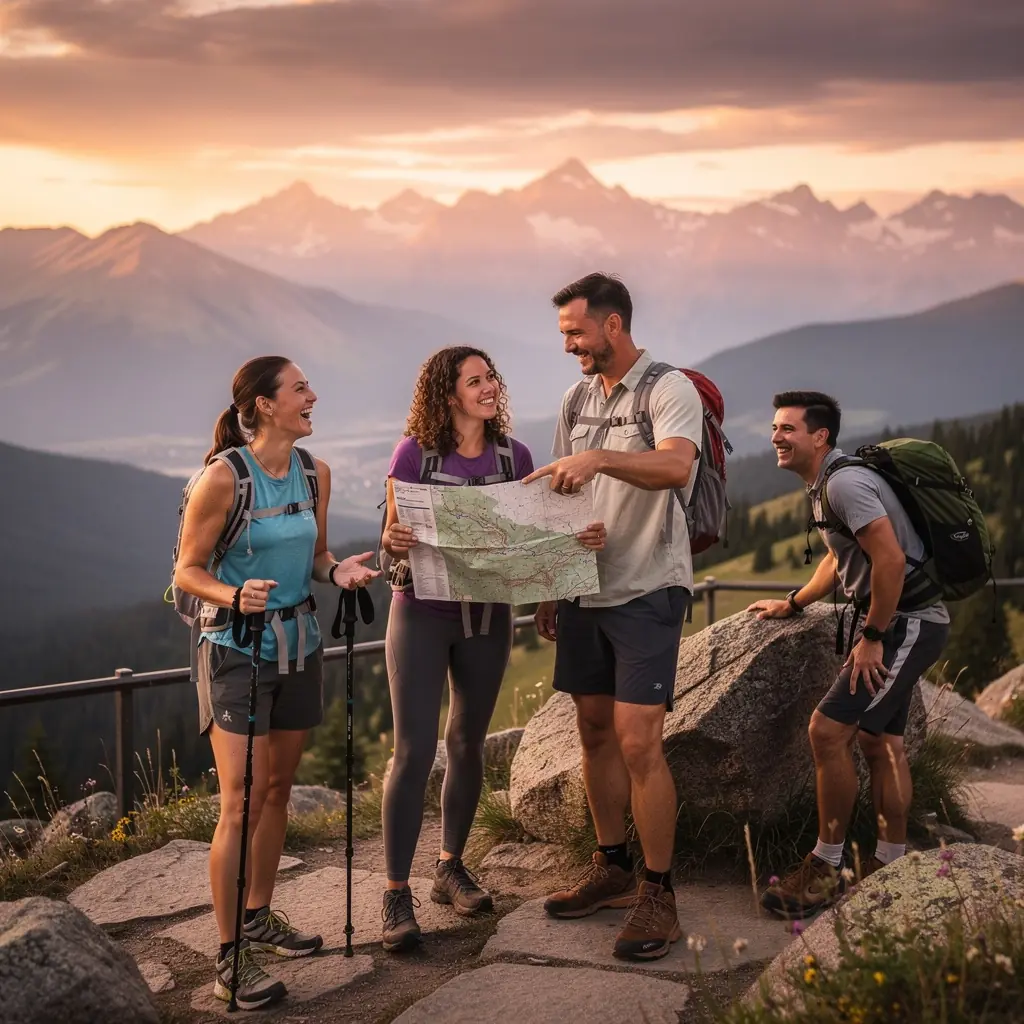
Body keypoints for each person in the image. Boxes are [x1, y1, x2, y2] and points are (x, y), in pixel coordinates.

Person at [377, 344, 606, 952]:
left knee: (467, 742)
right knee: (413, 750)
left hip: (489, 619)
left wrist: (572, 546)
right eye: (475, 380)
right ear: (448, 394)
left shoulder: (516, 456)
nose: (489, 387)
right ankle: (396, 892)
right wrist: (396, 539)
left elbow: (536, 537)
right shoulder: (414, 455)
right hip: (422, 616)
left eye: (491, 378)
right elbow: (390, 542)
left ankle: (449, 867)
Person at [174, 355, 379, 1010]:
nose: (312, 396)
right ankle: (230, 955)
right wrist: (235, 594)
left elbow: (315, 556)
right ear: (264, 405)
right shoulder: (222, 480)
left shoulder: (314, 472)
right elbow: (187, 571)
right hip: (234, 651)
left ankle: (259, 915)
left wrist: (337, 571)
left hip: (300, 646)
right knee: (241, 799)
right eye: (299, 389)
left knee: (280, 790)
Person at [526, 273, 704, 962]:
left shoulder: (667, 389)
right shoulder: (576, 398)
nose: (568, 344)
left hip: (647, 586)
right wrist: (549, 582)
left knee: (638, 742)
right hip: (583, 589)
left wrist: (602, 455)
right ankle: (612, 868)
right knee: (594, 732)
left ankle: (659, 894)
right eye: (565, 333)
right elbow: (564, 496)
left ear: (613, 325)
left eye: (575, 331)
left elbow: (676, 469)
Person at [748, 391, 950, 919]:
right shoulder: (828, 482)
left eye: (788, 428)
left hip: (906, 623)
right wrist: (792, 603)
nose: (776, 436)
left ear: (821, 437)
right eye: (774, 427)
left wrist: (875, 635)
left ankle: (825, 866)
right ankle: (891, 863)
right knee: (881, 740)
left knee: (827, 731)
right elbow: (842, 559)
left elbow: (888, 557)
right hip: (907, 620)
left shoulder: (844, 483)